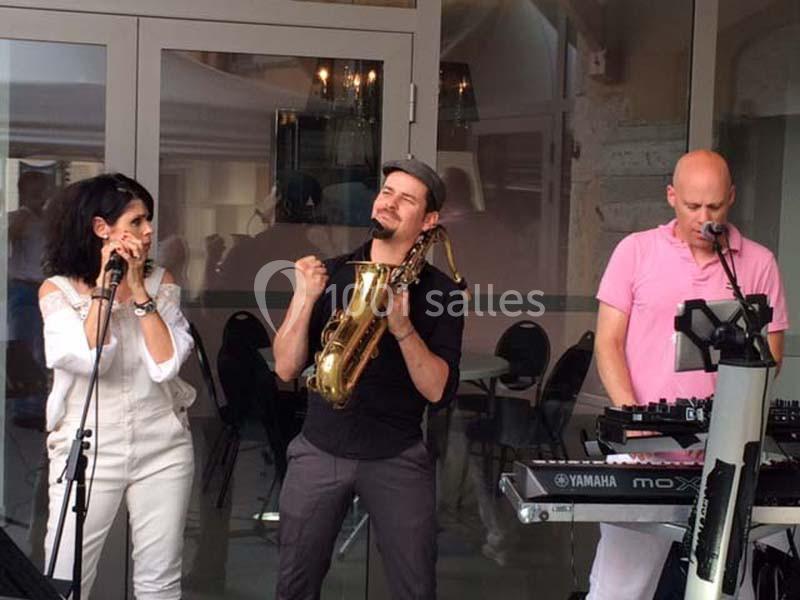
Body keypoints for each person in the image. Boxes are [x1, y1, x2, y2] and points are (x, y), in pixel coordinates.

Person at [588, 150, 789, 600]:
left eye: (714, 207)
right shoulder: (634, 251)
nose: (704, 218)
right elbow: (608, 343)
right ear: (671, 197)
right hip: (643, 448)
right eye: (693, 206)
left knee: (729, 587)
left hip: (724, 452)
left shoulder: (757, 263)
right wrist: (634, 419)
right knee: (620, 588)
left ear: (731, 199)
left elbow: (772, 356)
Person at [273, 158, 465, 600]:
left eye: (407, 199)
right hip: (320, 448)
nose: (390, 203)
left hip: (396, 456)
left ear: (429, 220)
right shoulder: (333, 272)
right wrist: (304, 299)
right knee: (293, 587)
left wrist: (402, 327)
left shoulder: (443, 294)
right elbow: (285, 368)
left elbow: (438, 389)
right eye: (387, 192)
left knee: (415, 589)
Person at [39, 173, 196, 599]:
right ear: (100, 228)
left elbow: (165, 365)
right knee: (66, 579)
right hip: (89, 449)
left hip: (162, 447)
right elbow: (90, 358)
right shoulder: (58, 290)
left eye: (149, 222)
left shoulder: (161, 283)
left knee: (160, 580)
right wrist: (106, 289)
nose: (149, 232)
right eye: (138, 221)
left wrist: (139, 289)